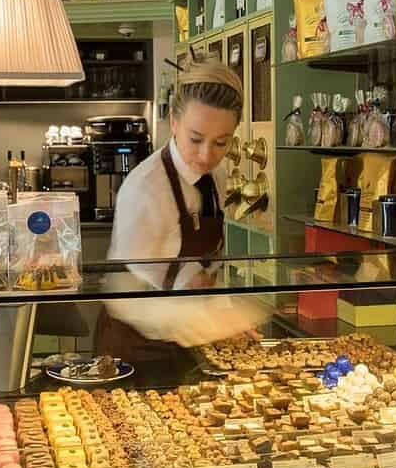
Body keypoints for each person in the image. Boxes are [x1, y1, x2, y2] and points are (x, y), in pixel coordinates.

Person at [95, 61, 268, 364]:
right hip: (134, 349)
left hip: (188, 346)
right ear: (174, 122)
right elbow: (121, 294)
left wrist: (224, 312)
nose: (206, 155)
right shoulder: (145, 189)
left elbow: (206, 269)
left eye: (221, 142)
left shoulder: (216, 178)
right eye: (196, 139)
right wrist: (206, 323)